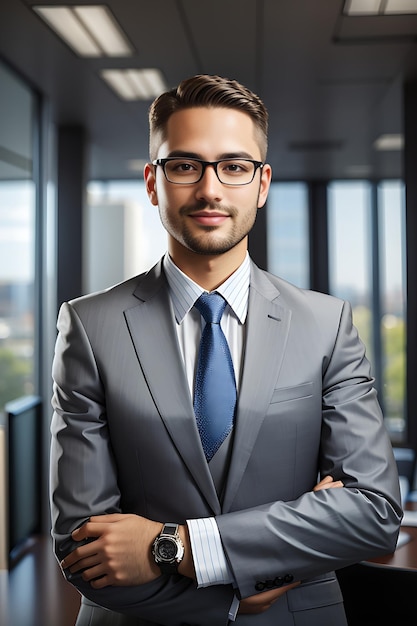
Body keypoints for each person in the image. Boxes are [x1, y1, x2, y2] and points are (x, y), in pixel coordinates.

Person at [50, 74, 402, 626]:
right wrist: (247, 585)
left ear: (261, 185)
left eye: (234, 167)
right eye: (185, 165)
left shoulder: (325, 323)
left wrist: (178, 546)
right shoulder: (89, 326)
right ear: (152, 182)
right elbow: (82, 548)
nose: (210, 189)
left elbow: (373, 512)